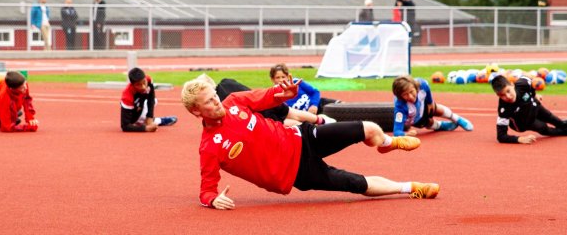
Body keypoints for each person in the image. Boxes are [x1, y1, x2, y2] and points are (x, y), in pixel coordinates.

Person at [180, 74, 439, 209]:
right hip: (296, 174)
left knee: (369, 128)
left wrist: (284, 93)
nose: (217, 102)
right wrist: (213, 200)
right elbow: (207, 189)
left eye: (215, 96)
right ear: (196, 112)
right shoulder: (209, 148)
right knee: (355, 183)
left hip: (301, 138)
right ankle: (410, 188)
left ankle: (386, 144)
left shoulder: (234, 101)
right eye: (209, 102)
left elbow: (266, 97)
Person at [491, 75, 567, 144]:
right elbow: (501, 136)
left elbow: (531, 83)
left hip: (534, 106)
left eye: (508, 91)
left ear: (512, 84)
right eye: (501, 95)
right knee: (544, 128)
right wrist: (518, 139)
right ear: (497, 95)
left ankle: (563, 123)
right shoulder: (503, 110)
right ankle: (564, 132)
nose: (507, 96)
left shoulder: (523, 83)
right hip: (524, 122)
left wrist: (534, 95)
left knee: (553, 118)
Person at [215, 77, 335, 126]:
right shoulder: (227, 81)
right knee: (291, 114)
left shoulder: (219, 102)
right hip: (263, 99)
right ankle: (321, 121)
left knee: (285, 122)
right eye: (278, 77)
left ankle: (315, 126)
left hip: (259, 109)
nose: (281, 80)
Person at [391, 75, 473, 136]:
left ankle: (456, 118)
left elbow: (427, 87)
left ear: (415, 87)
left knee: (435, 108)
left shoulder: (421, 84)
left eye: (411, 92)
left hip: (423, 105)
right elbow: (397, 131)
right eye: (405, 95)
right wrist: (406, 135)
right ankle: (441, 126)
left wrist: (430, 102)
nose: (410, 97)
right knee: (429, 123)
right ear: (400, 96)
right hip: (415, 118)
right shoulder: (400, 108)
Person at [120, 67, 177, 132]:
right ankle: (159, 120)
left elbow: (151, 97)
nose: (143, 87)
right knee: (137, 121)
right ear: (133, 85)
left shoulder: (148, 79)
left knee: (154, 101)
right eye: (138, 85)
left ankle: (148, 120)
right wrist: (146, 128)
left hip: (141, 104)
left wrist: (150, 116)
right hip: (133, 113)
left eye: (144, 82)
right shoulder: (127, 97)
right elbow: (125, 126)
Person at [269, 63, 340, 116]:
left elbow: (315, 92)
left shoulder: (297, 82)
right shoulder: (276, 95)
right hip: (307, 117)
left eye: (283, 77)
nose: (281, 80)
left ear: (287, 76)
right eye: (277, 77)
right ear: (272, 79)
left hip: (318, 104)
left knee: (343, 106)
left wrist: (314, 105)